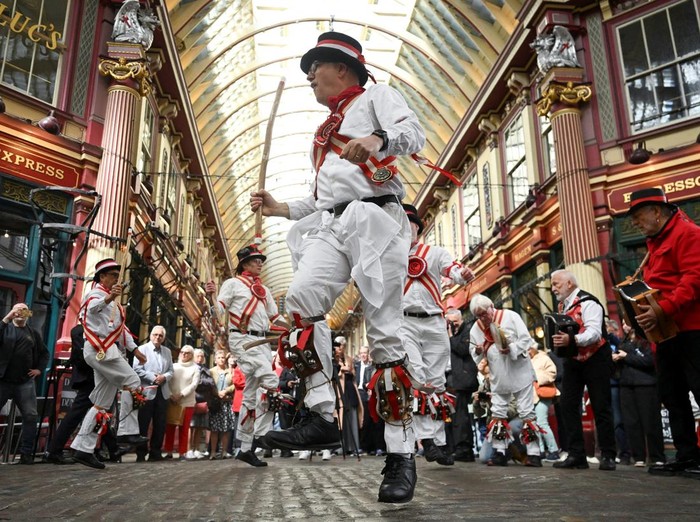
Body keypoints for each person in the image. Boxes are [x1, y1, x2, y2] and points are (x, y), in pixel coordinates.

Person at [252, 30, 426, 504]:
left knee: (386, 332)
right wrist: (279, 209)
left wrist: (377, 138)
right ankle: (324, 417)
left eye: (316, 66)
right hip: (332, 223)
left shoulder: (378, 96)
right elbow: (321, 197)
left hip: (377, 219)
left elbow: (414, 134)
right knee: (299, 304)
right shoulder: (324, 132)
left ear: (343, 68)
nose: (309, 76)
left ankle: (400, 454)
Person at [626, 187, 700, 477]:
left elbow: (694, 279)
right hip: (666, 333)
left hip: (691, 329)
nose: (635, 223)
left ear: (657, 212)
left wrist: (662, 309)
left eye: (638, 216)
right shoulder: (655, 242)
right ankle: (687, 456)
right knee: (673, 395)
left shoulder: (688, 233)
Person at [401, 205, 474, 466]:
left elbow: (451, 268)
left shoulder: (434, 253)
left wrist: (461, 275)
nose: (406, 226)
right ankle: (427, 441)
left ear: (418, 229)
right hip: (405, 322)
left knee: (437, 383)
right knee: (418, 377)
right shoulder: (389, 254)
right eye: (401, 222)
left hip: (433, 322)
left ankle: (439, 443)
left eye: (411, 223)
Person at [205, 244, 286, 468]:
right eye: (255, 260)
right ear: (244, 264)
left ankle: (245, 448)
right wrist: (211, 297)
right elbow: (220, 311)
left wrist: (296, 326)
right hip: (242, 340)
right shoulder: (232, 284)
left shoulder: (265, 290)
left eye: (261, 260)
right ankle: (263, 435)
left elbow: (275, 318)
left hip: (261, 342)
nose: (260, 263)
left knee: (250, 396)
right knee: (271, 381)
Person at [70, 258, 147, 469]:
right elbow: (90, 310)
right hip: (100, 351)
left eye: (117, 275)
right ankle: (128, 432)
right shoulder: (95, 294)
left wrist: (135, 350)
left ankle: (83, 449)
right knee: (132, 380)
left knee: (101, 403)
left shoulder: (112, 302)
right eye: (113, 275)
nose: (116, 278)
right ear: (102, 277)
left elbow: (120, 330)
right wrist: (109, 297)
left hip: (108, 352)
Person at [550, 269, 616, 471]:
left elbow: (595, 333)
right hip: (573, 361)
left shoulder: (588, 302)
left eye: (556, 284)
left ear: (569, 283)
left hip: (596, 359)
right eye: (552, 285)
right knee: (568, 405)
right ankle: (577, 454)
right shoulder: (563, 305)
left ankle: (608, 455)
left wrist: (572, 340)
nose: (553, 289)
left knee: (601, 406)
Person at [468, 294, 543, 467]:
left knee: (526, 412)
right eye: (478, 316)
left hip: (520, 372)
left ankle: (534, 453)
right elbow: (474, 352)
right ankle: (500, 451)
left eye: (484, 313)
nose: (482, 318)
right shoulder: (476, 328)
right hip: (498, 376)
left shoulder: (511, 316)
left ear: (491, 306)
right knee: (498, 413)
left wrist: (511, 348)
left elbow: (526, 340)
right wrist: (479, 351)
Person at [44, 324, 122, 465]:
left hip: (97, 377)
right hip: (90, 378)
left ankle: (113, 448)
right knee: (80, 413)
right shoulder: (80, 331)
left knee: (99, 412)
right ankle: (54, 450)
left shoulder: (98, 330)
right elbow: (85, 355)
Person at [0, 302, 49, 464]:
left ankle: (26, 453)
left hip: (24, 382)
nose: (20, 313)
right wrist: (7, 318)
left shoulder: (33, 333)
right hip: (3, 380)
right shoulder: (5, 328)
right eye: (17, 309)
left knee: (30, 415)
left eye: (24, 310)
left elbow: (44, 354)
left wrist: (39, 370)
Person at [614, 322, 666, 467]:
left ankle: (657, 456)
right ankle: (638, 456)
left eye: (627, 323)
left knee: (651, 422)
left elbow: (649, 361)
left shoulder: (646, 341)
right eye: (623, 323)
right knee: (632, 423)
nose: (624, 326)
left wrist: (626, 356)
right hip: (626, 385)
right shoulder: (623, 342)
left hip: (646, 385)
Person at [127, 325, 173, 462]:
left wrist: (164, 377)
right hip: (147, 391)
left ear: (163, 338)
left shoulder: (167, 352)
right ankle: (141, 453)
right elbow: (137, 369)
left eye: (160, 335)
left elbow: (171, 370)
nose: (157, 337)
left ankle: (155, 452)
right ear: (150, 335)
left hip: (162, 392)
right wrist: (153, 377)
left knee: (160, 424)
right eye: (155, 334)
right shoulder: (142, 349)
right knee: (143, 423)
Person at [445, 308, 479, 462]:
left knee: (461, 416)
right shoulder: (447, 333)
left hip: (463, 379)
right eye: (450, 323)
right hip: (450, 379)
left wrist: (451, 335)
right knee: (452, 416)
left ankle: (464, 449)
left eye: (455, 322)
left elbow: (462, 349)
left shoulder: (468, 330)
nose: (453, 325)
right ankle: (453, 447)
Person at [163, 345, 199, 460]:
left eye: (187, 353)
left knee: (184, 428)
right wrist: (170, 395)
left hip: (187, 402)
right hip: (172, 400)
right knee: (170, 427)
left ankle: (182, 452)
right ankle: (168, 451)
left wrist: (181, 394)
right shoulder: (173, 366)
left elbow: (194, 385)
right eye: (182, 352)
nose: (184, 354)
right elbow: (167, 382)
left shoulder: (195, 368)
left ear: (191, 355)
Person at [528, 343, 561, 462]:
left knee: (542, 422)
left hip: (542, 394)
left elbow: (552, 373)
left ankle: (553, 450)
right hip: (531, 396)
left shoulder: (544, 358)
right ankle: (540, 450)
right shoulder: (526, 360)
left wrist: (536, 377)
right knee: (534, 424)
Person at [333, 336, 363, 458]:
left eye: (342, 346)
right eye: (338, 346)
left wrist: (348, 371)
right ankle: (339, 446)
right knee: (339, 419)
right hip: (338, 392)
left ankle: (352, 445)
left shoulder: (349, 359)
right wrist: (341, 371)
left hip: (350, 390)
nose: (340, 348)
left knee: (351, 417)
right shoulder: (333, 360)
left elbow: (353, 374)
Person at [607, 318, 631, 465]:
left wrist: (611, 336)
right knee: (609, 421)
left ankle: (625, 452)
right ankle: (612, 451)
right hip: (605, 383)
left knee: (618, 421)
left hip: (616, 383)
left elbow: (619, 346)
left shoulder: (616, 341)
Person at [209, 349, 236, 461]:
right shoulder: (211, 371)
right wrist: (217, 393)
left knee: (226, 429)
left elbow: (235, 384)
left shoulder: (230, 371)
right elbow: (209, 385)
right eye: (219, 358)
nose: (221, 360)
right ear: (215, 360)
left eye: (223, 358)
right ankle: (213, 452)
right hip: (216, 403)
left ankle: (224, 451)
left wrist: (226, 391)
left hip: (227, 403)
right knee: (214, 429)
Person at [189, 348, 215, 459]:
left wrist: (200, 382)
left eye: (202, 356)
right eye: (197, 356)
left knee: (200, 426)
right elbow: (193, 383)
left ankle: (196, 449)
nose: (200, 358)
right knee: (191, 426)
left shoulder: (206, 370)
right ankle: (189, 449)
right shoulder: (190, 368)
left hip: (203, 401)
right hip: (191, 400)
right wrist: (201, 382)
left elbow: (211, 383)